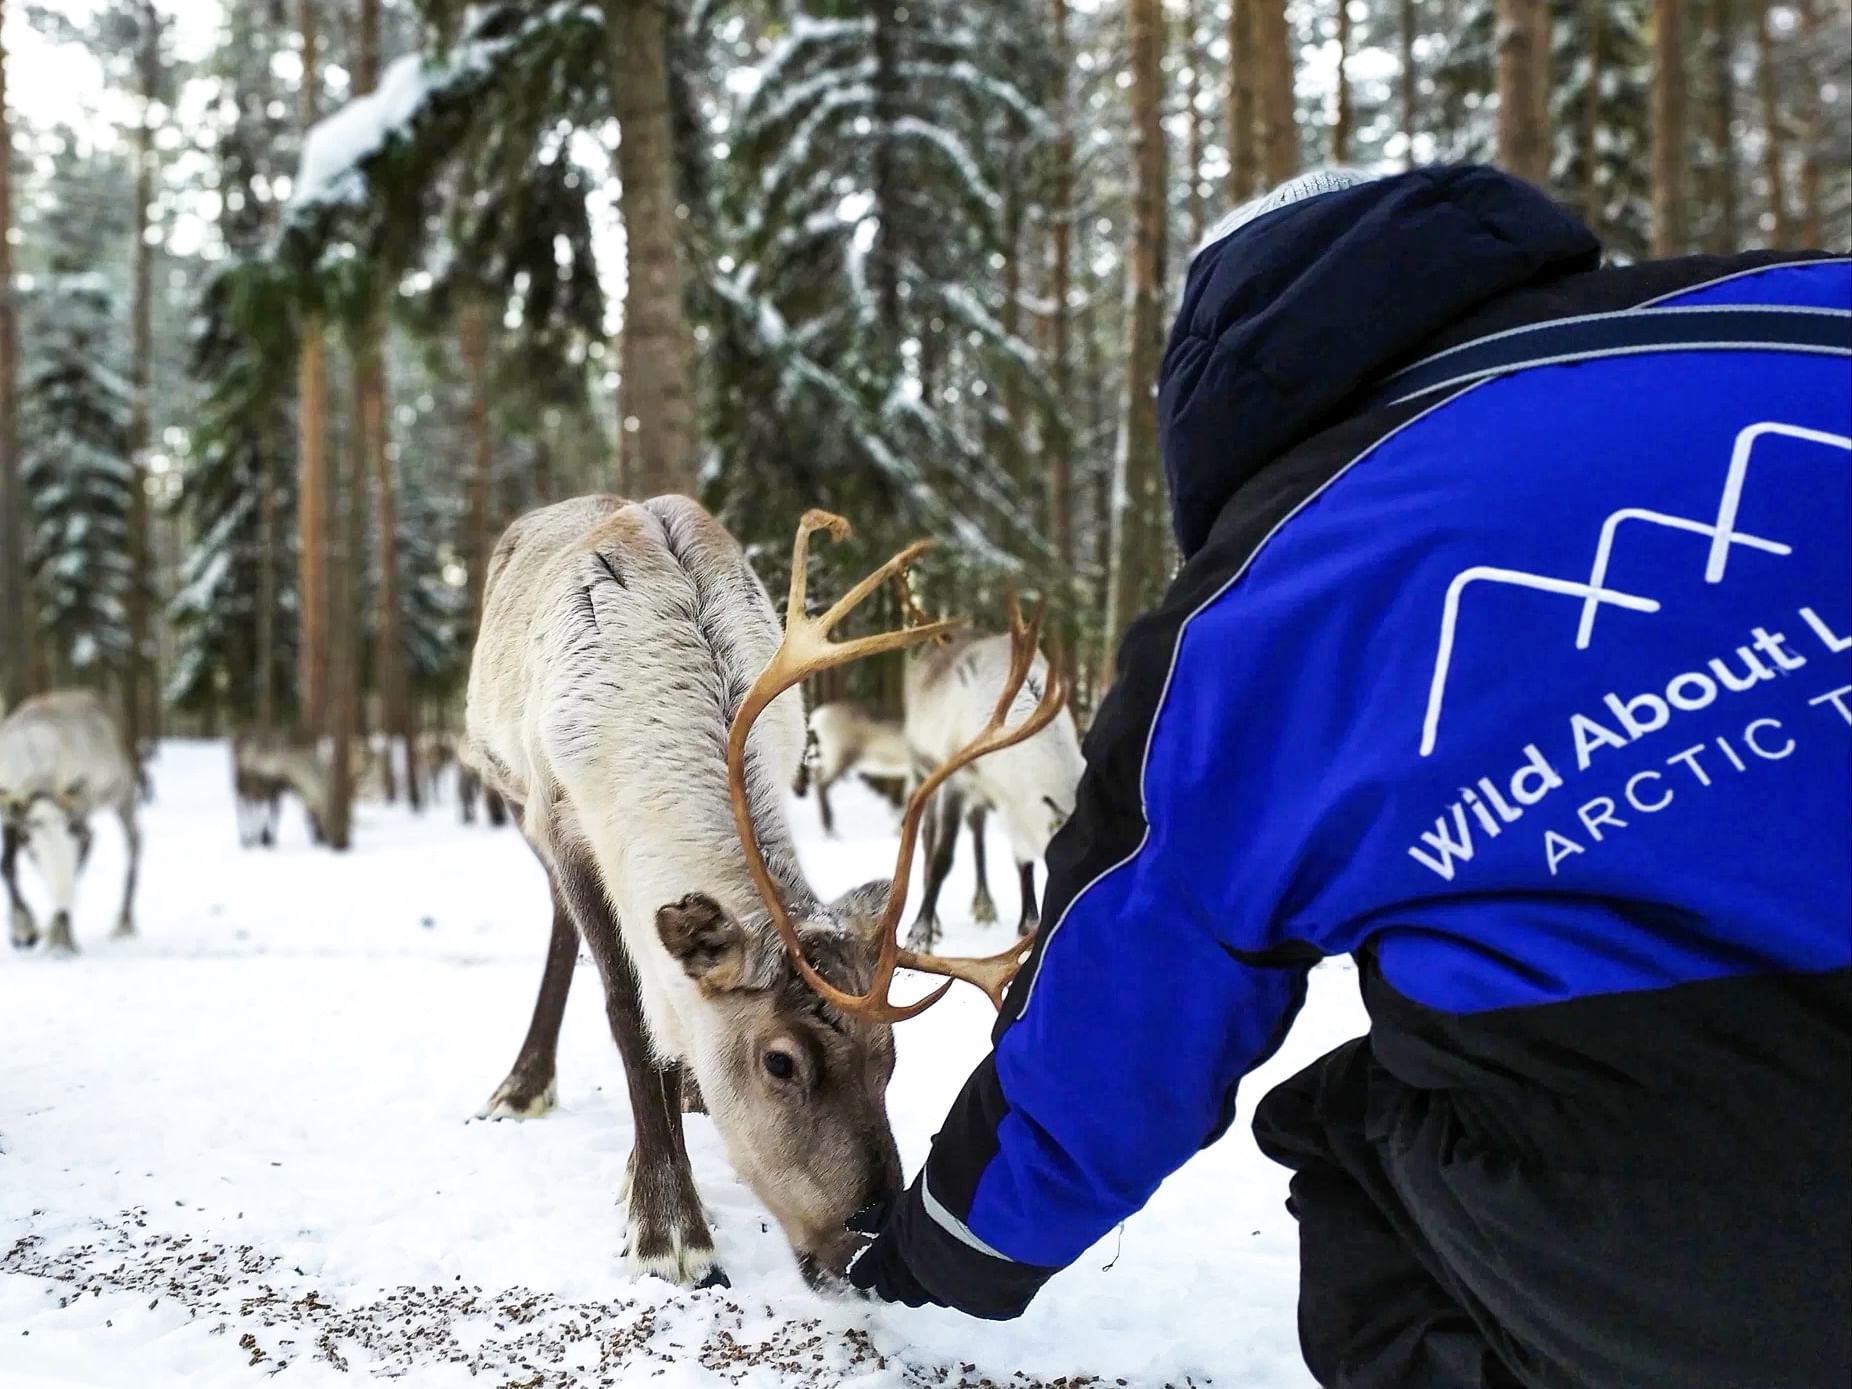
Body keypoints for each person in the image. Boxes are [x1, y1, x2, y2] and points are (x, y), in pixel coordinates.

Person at [846, 164, 1851, 1388]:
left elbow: (1120, 1029)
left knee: (1350, 1145)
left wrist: (939, 1259)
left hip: (1743, 1243)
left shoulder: (1263, 606)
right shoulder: (1805, 309)